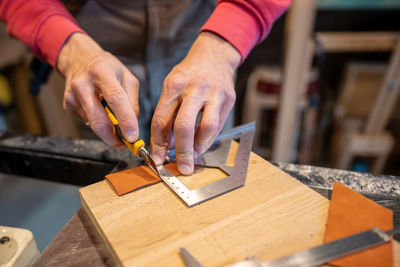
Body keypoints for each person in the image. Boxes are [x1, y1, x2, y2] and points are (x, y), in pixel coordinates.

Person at [0, 0, 291, 175]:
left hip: (204, 47)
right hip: (94, 53)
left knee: (208, 169)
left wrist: (222, 45)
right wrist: (68, 49)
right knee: (114, 187)